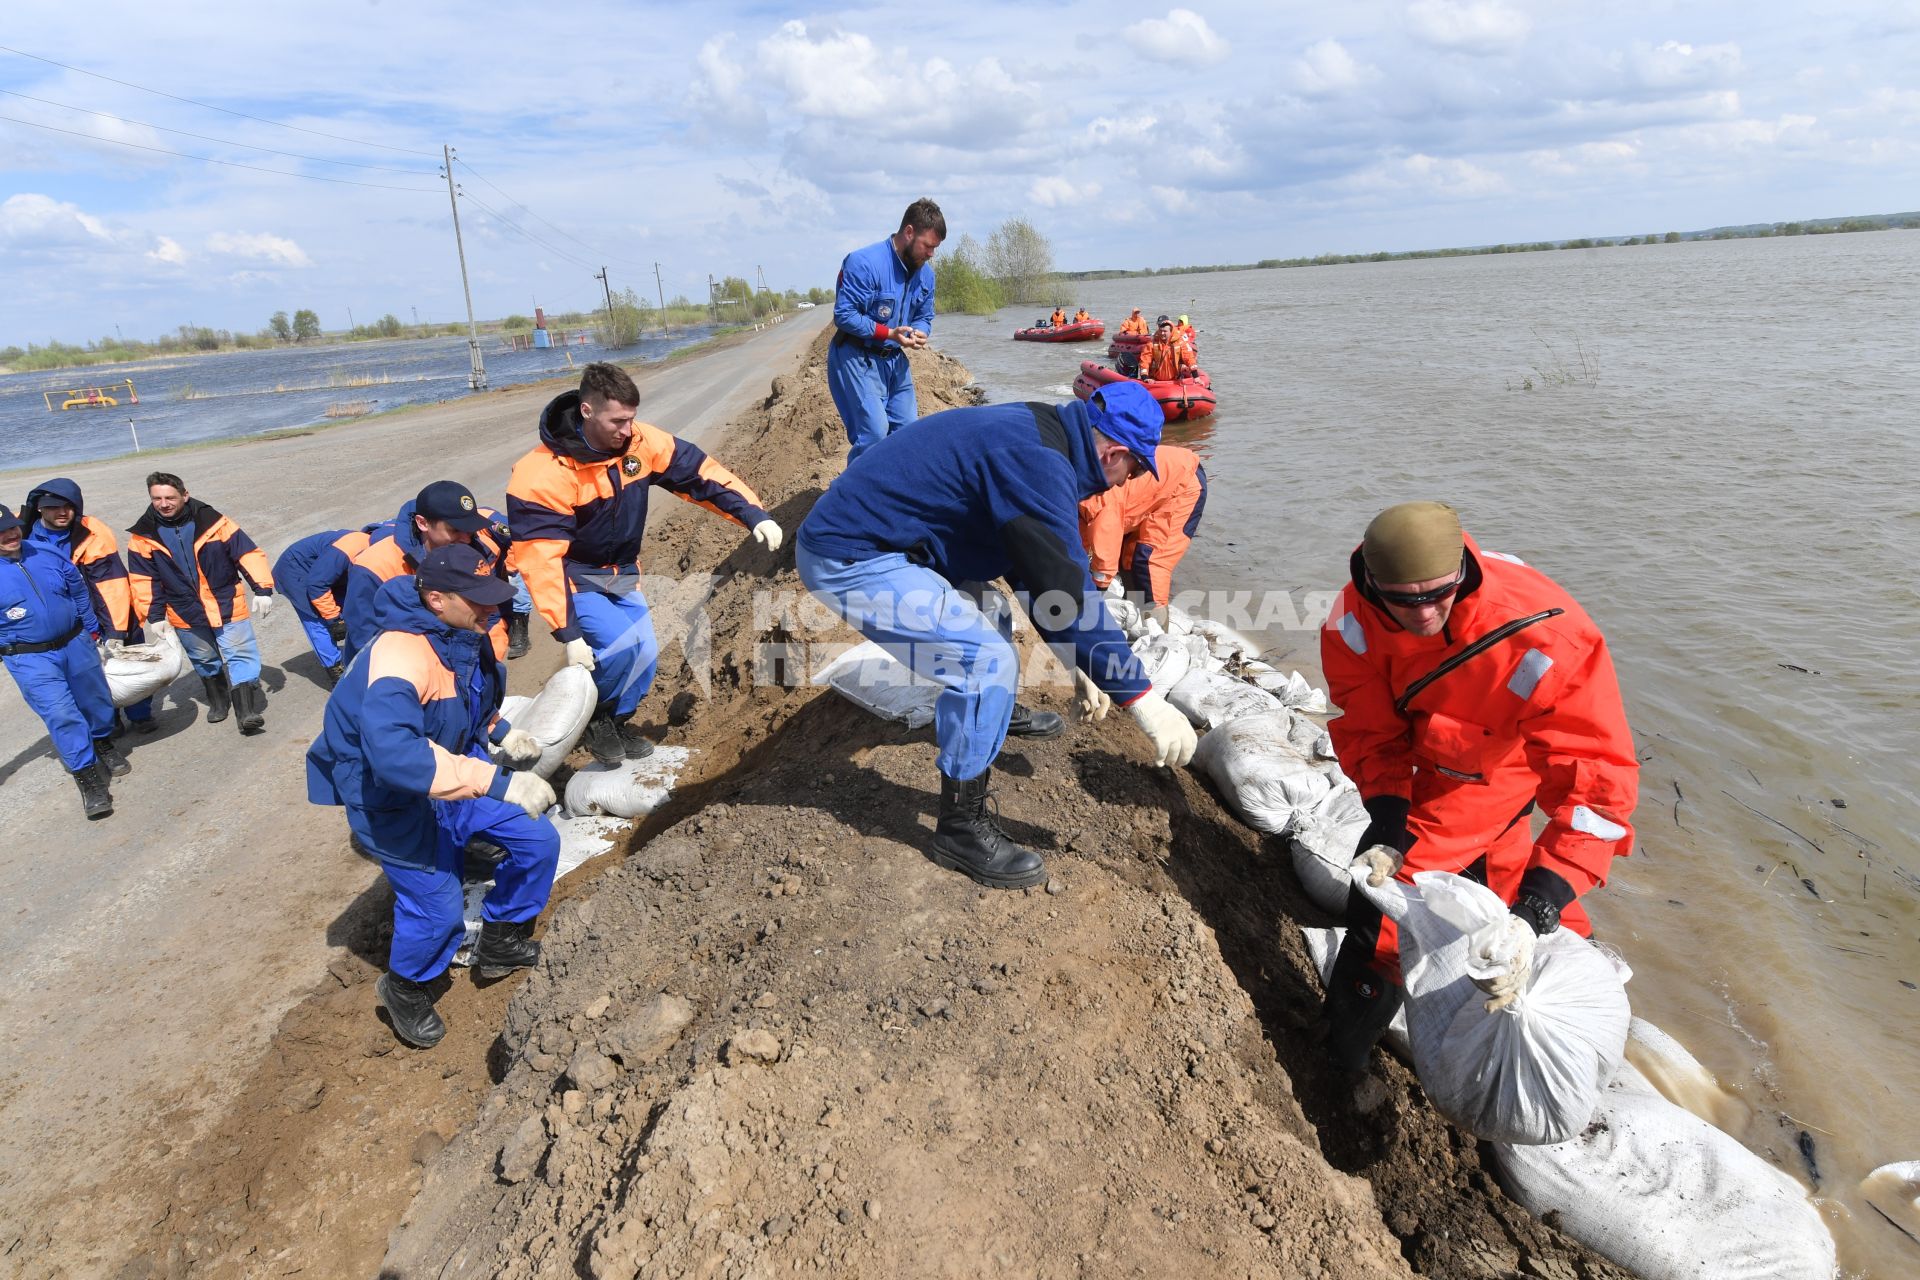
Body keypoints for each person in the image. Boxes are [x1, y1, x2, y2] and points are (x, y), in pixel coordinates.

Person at [796, 381, 1198, 890]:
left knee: (992, 613)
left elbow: (1031, 571)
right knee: (983, 660)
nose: (1125, 484)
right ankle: (960, 828)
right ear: (1114, 453)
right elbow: (1065, 588)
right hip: (850, 554)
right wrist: (1141, 698)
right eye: (1134, 470)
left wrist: (1078, 658)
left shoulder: (1045, 432)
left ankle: (993, 712)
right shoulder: (1037, 462)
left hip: (897, 540)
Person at [1318, 501, 1639, 1072]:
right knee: (1424, 884)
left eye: (1439, 594)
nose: (1423, 614)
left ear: (1464, 568)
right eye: (1404, 600)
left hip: (1507, 763)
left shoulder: (1548, 636)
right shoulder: (1353, 621)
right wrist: (1389, 814)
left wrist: (1546, 898)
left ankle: (1573, 1039)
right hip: (1430, 765)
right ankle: (1341, 1063)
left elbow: (1596, 785)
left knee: (1396, 915)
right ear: (1371, 583)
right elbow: (1369, 731)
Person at [306, 543, 559, 1049]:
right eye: (478, 599)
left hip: (452, 763)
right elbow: (397, 755)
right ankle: (406, 987)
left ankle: (502, 941)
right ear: (438, 599)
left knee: (537, 842)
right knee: (437, 910)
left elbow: (467, 698)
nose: (492, 609)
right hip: (388, 792)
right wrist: (496, 781)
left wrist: (499, 729)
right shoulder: (399, 655)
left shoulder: (465, 633)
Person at [508, 362, 781, 765]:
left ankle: (617, 719)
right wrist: (568, 633)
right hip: (576, 577)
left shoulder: (640, 443)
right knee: (619, 650)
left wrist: (753, 514)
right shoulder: (542, 474)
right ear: (587, 411)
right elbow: (540, 559)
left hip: (623, 573)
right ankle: (595, 720)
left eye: (631, 419)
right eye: (617, 421)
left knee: (646, 654)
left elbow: (700, 475)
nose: (627, 429)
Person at [126, 472, 274, 735]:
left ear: (185, 495)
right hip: (183, 610)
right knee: (204, 658)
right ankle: (219, 700)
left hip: (226, 601)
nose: (164, 504)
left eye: (170, 497)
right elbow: (143, 579)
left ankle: (246, 712)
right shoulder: (142, 537)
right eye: (157, 498)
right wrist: (155, 615)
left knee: (240, 654)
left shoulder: (215, 523)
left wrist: (262, 588)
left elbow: (247, 553)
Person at [0, 505, 123, 818]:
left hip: (75, 641)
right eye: (1, 534)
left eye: (12, 528)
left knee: (96, 702)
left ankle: (102, 742)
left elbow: (78, 588)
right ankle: (88, 779)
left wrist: (91, 629)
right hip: (29, 657)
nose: (10, 535)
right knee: (61, 713)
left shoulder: (45, 552)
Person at [20, 477, 154, 735]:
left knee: (129, 660)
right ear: (39, 507)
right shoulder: (23, 534)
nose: (62, 512)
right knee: (89, 674)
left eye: (68, 506)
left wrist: (116, 631)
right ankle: (109, 717)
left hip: (106, 609)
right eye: (53, 507)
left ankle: (140, 714)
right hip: (66, 618)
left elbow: (111, 584)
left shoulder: (92, 533)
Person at [827, 198, 944, 464]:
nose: (931, 254)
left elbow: (925, 316)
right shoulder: (864, 263)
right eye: (928, 246)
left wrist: (921, 331)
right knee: (873, 435)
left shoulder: (926, 276)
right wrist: (888, 334)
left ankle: (892, 496)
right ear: (909, 232)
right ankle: (856, 500)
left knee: (907, 431)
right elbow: (844, 315)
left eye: (935, 248)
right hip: (857, 357)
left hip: (894, 361)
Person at [343, 482, 510, 665]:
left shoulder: (481, 552)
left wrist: (487, 663)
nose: (466, 538)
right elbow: (367, 643)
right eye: (454, 530)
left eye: (470, 529)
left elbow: (492, 615)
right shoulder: (374, 567)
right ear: (423, 523)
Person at [1078, 444, 1207, 624]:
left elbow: (1105, 562)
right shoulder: (1071, 499)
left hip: (1183, 484)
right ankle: (1134, 614)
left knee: (1149, 563)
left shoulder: (1096, 501)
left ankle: (1156, 633)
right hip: (1145, 491)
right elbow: (1077, 545)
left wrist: (1092, 597)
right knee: (1127, 559)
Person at [274, 526, 378, 685]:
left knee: (352, 606)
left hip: (329, 572)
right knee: (317, 620)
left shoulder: (379, 548)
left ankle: (364, 656)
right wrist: (335, 619)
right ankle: (336, 672)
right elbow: (317, 585)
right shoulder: (349, 549)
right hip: (297, 571)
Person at [1138, 317, 1196, 383]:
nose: (1162, 333)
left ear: (1171, 331)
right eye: (1161, 331)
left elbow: (1189, 357)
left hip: (1175, 379)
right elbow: (1145, 360)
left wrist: (1195, 376)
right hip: (1155, 380)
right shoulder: (1152, 343)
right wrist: (1145, 377)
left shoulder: (1180, 342)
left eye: (1165, 331)